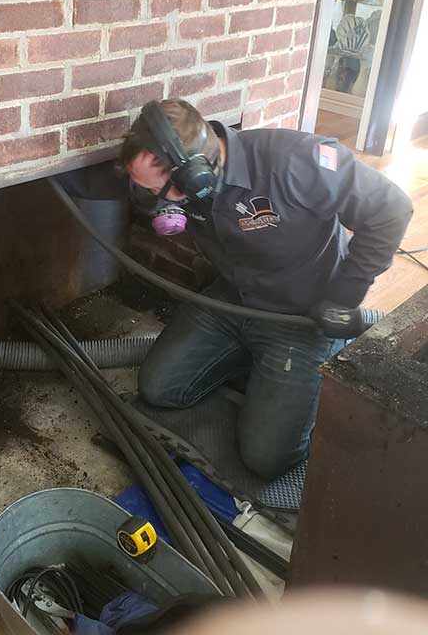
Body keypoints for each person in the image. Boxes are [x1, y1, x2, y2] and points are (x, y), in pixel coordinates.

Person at [120, 99, 413, 480]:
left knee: (266, 458)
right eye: (148, 190)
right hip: (233, 299)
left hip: (301, 317)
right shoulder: (181, 185)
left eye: (163, 190)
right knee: (159, 389)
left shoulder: (295, 161)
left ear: (198, 174)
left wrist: (344, 298)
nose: (159, 202)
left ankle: (295, 376)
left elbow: (391, 210)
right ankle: (257, 365)